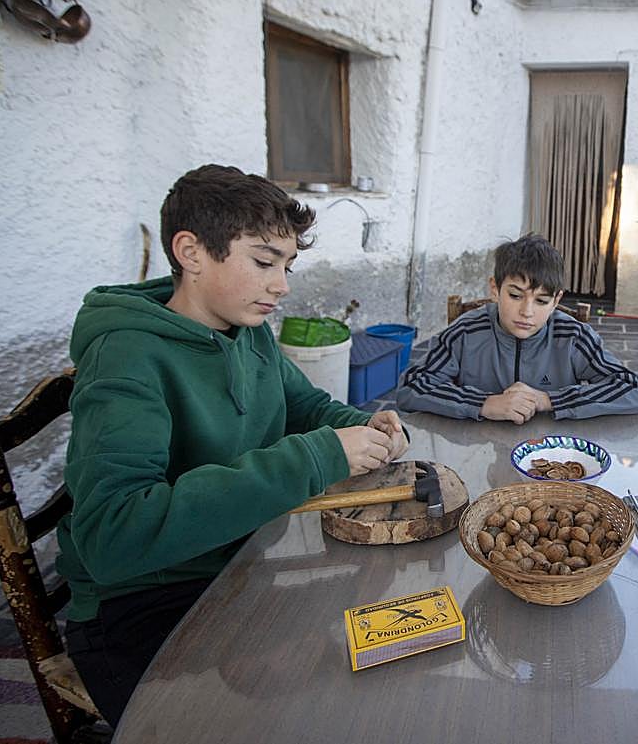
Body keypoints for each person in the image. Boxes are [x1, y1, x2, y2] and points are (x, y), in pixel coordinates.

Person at [57, 164, 409, 728]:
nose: (282, 284)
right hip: (142, 601)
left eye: (287, 265)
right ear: (191, 252)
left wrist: (366, 428)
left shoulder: (249, 333)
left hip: (238, 564)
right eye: (264, 262)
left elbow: (306, 408)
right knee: (276, 719)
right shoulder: (126, 357)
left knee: (377, 657)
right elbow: (113, 534)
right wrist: (318, 456)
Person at [397, 234, 638, 423]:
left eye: (541, 301)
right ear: (495, 289)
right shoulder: (466, 332)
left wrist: (547, 400)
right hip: (475, 454)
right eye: (515, 295)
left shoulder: (573, 337)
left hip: (551, 463)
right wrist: (484, 403)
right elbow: (412, 386)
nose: (527, 312)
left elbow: (632, 389)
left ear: (556, 301)